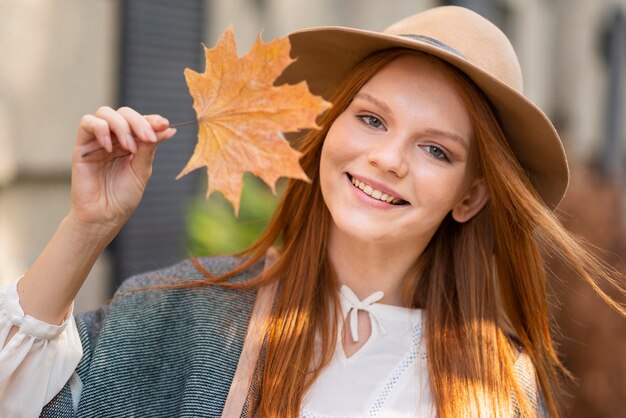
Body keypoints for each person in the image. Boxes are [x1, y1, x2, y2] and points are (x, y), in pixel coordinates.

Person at [0, 5, 623, 418]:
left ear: (470, 195)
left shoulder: (500, 389)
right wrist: (89, 227)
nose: (388, 158)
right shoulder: (183, 312)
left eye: (435, 149)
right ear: (329, 130)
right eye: (372, 119)